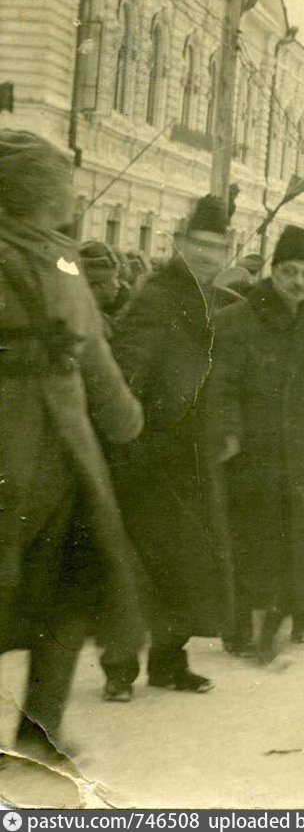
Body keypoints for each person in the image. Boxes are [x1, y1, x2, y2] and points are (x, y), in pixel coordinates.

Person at [0, 130, 144, 764]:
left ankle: (41, 729)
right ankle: (41, 729)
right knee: (59, 592)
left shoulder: (56, 257)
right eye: (64, 186)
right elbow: (95, 355)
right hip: (50, 455)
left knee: (57, 592)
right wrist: (123, 419)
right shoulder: (56, 261)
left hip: (40, 456)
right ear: (45, 196)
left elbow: (90, 350)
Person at [104, 194, 239, 698]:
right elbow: (127, 364)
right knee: (136, 562)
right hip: (150, 448)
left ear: (226, 251)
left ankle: (168, 660)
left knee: (186, 560)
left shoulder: (216, 301)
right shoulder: (158, 295)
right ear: (180, 244)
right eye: (197, 244)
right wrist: (134, 432)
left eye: (215, 246)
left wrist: (226, 426)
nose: (206, 254)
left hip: (195, 451)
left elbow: (221, 377)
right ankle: (120, 669)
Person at [204, 226, 304, 664]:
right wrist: (230, 431)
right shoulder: (239, 320)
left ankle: (277, 623)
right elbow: (222, 383)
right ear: (273, 272)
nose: (298, 282)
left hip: (300, 450)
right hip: (251, 451)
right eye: (289, 271)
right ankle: (238, 627)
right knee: (247, 539)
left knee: (291, 538)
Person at [78, 240, 132, 337]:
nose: (118, 285)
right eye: (115, 278)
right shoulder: (90, 321)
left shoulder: (93, 316)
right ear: (101, 283)